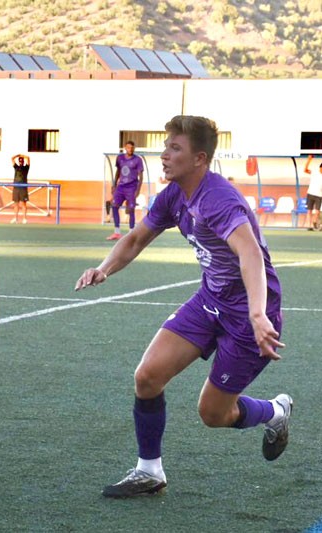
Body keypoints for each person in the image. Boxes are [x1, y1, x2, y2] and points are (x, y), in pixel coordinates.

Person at [75, 115, 290, 498]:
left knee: (213, 415)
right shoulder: (174, 194)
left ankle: (274, 412)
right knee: (147, 377)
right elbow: (138, 237)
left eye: (175, 148)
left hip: (248, 316)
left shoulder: (218, 200)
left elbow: (250, 253)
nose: (164, 155)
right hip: (210, 301)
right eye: (165, 146)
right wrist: (104, 269)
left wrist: (258, 313)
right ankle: (149, 471)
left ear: (199, 159)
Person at [108, 140, 144, 240]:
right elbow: (118, 172)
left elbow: (141, 177)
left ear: (134, 148)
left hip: (132, 187)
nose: (130, 149)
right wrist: (114, 185)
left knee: (131, 209)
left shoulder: (138, 160)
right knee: (114, 206)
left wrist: (138, 190)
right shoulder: (120, 158)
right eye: (128, 147)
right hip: (120, 187)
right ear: (125, 147)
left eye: (132, 148)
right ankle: (117, 232)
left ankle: (131, 233)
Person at [303, 155, 322, 231]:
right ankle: (309, 225)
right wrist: (309, 160)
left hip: (319, 196)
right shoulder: (314, 172)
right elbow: (305, 170)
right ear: (320, 168)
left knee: (317, 211)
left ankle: (314, 223)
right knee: (309, 210)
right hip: (310, 194)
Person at [11, 153, 30, 224]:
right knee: (16, 204)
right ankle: (15, 218)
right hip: (16, 187)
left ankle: (24, 218)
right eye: (20, 160)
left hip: (23, 188)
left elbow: (28, 158)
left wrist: (22, 156)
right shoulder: (16, 167)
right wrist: (17, 155)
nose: (21, 162)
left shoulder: (26, 168)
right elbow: (12, 158)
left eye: (22, 160)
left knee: (23, 204)